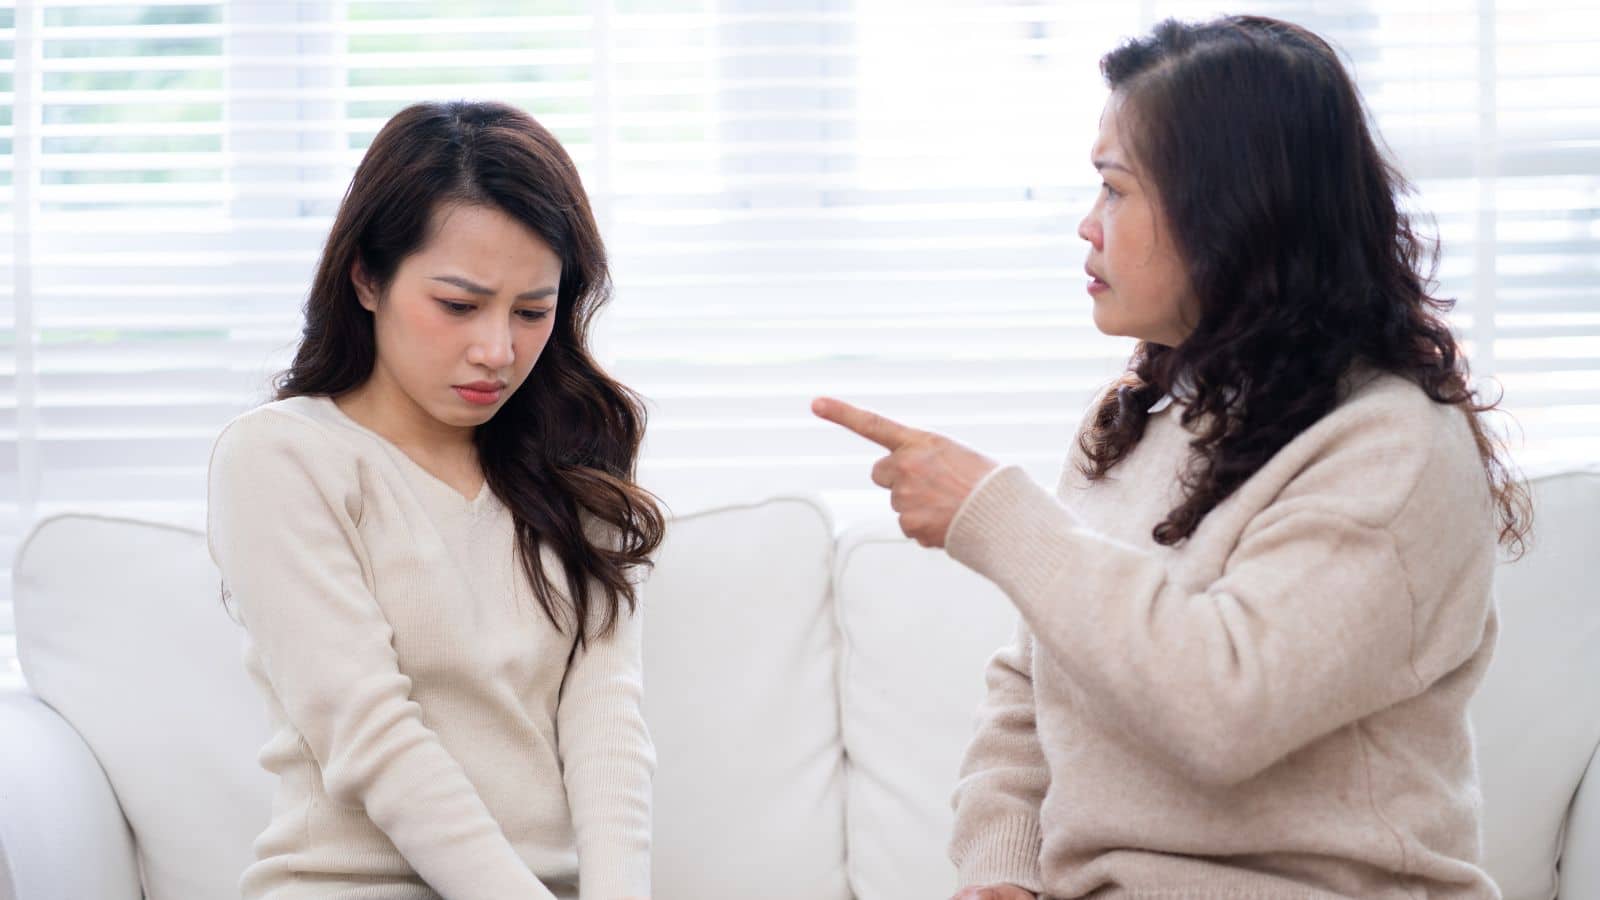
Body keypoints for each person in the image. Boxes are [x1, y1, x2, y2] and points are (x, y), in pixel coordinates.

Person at [814, 14, 1529, 900]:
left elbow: (1227, 708)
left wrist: (994, 513)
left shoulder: (1393, 445)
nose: (1086, 224)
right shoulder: (1137, 414)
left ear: (1229, 212)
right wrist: (1000, 874)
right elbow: (1030, 692)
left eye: (1115, 189)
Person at [207, 100, 663, 900]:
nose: (499, 350)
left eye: (533, 311)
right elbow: (370, 731)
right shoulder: (282, 456)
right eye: (458, 305)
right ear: (367, 278)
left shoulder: (568, 466)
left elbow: (607, 725)